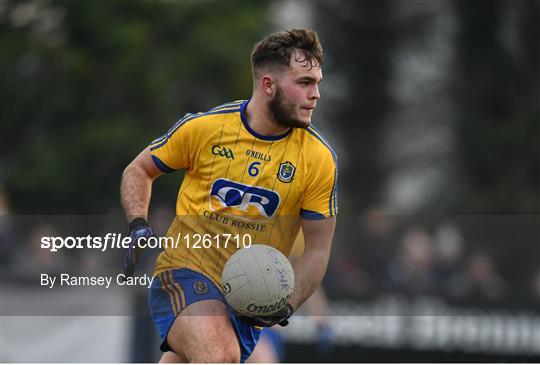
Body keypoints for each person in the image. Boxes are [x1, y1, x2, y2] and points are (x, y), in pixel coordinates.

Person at [120, 28, 337, 363]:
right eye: (305, 83)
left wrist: (285, 305)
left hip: (248, 298)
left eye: (318, 82)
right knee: (220, 355)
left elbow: (317, 251)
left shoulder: (319, 159)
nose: (316, 94)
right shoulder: (206, 129)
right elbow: (138, 170)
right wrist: (137, 224)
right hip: (184, 272)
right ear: (268, 84)